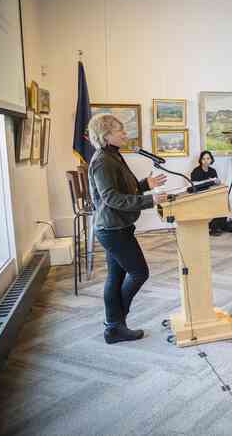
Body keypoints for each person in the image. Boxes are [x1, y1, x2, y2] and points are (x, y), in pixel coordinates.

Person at [87, 114, 168, 344]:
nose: (125, 134)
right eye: (120, 130)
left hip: (117, 226)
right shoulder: (103, 160)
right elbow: (111, 198)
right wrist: (150, 200)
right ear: (105, 135)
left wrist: (145, 185)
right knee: (139, 272)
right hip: (112, 229)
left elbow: (122, 190)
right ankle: (116, 323)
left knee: (116, 276)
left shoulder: (112, 155)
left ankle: (114, 326)